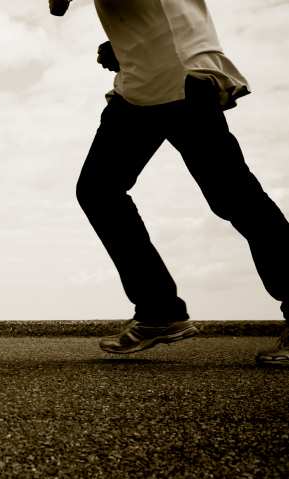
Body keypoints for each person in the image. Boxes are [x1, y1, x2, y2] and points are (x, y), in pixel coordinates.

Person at [50, 0, 289, 366]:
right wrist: (127, 44)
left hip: (181, 79)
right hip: (143, 83)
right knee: (99, 190)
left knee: (236, 197)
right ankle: (159, 310)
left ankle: (158, 309)